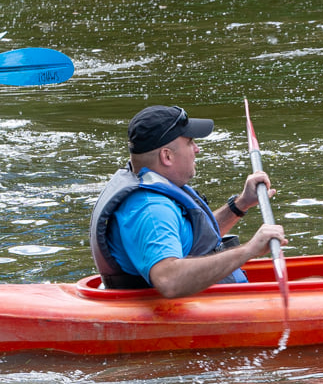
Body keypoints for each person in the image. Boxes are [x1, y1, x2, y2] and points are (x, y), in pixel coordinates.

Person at [90, 105, 287, 298]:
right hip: (200, 315)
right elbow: (168, 280)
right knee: (312, 285)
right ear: (167, 156)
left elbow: (194, 239)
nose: (197, 149)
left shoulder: (152, 190)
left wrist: (240, 204)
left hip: (213, 303)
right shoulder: (151, 209)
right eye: (190, 142)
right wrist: (249, 250)